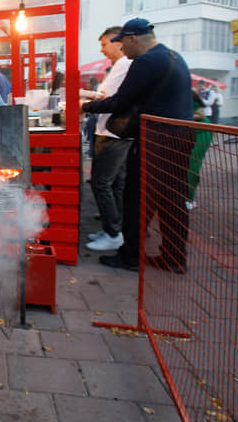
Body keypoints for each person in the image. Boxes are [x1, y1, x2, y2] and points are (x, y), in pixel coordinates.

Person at [81, 18, 194, 273]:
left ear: (133, 39)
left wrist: (85, 107)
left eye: (123, 43)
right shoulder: (173, 56)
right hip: (182, 136)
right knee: (172, 199)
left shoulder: (145, 61)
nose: (123, 50)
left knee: (138, 196)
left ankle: (130, 255)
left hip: (157, 137)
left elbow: (120, 102)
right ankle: (174, 257)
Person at [83, 26, 134, 251]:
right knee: (113, 184)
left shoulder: (125, 64)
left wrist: (83, 101)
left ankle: (113, 233)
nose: (102, 50)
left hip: (113, 134)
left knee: (101, 183)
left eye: (104, 44)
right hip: (113, 132)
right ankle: (112, 228)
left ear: (118, 42)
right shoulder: (118, 66)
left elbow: (106, 97)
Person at [186, 89, 212, 209]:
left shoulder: (188, 93)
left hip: (201, 131)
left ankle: (189, 199)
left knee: (192, 163)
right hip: (186, 131)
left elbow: (200, 114)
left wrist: (180, 116)